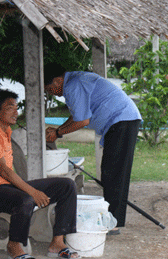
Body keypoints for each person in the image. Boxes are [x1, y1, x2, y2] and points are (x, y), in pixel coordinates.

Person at [0, 89, 79, 259]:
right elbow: (3, 171)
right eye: (10, 108)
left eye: (16, 107)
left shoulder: (5, 130)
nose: (16, 112)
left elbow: (7, 175)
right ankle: (14, 245)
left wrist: (30, 190)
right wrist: (32, 191)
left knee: (67, 185)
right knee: (26, 199)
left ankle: (57, 243)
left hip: (8, 187)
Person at [43, 64, 142, 234]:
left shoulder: (73, 85)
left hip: (122, 120)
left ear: (58, 80)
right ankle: (112, 220)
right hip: (121, 120)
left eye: (50, 88)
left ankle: (113, 223)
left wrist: (58, 132)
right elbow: (77, 115)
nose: (52, 93)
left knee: (114, 173)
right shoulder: (74, 81)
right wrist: (58, 131)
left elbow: (82, 121)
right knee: (111, 172)